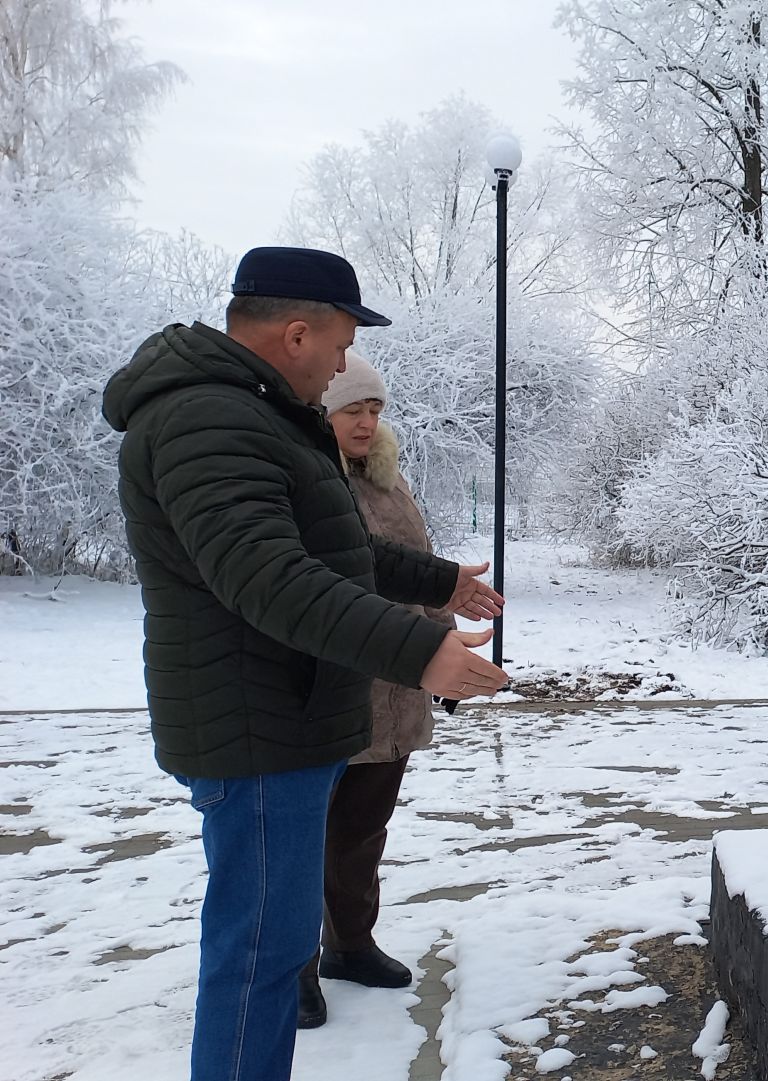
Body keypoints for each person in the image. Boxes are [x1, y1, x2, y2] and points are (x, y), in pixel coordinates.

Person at [102, 246, 512, 1081]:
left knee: (273, 943)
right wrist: (417, 650)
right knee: (257, 960)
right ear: (297, 333)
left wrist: (439, 585)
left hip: (283, 722)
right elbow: (269, 576)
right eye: (339, 344)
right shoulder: (206, 420)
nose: (339, 365)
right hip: (258, 732)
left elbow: (333, 550)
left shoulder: (249, 415)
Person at [296, 350, 448, 1027]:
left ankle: (349, 945)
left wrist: (444, 641)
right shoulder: (303, 481)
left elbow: (420, 563)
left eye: (375, 409)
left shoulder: (390, 482)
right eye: (352, 409)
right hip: (331, 687)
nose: (366, 421)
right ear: (322, 412)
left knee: (362, 833)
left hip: (397, 690)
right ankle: (293, 968)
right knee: (305, 838)